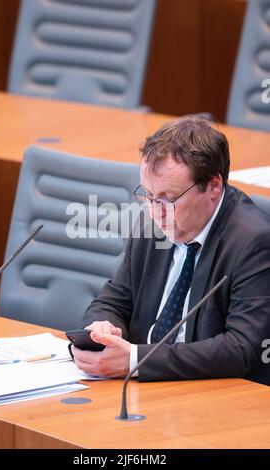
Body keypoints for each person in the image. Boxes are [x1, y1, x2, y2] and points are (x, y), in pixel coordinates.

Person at [72, 116, 270, 384]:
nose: (155, 212)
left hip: (211, 396)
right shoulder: (153, 223)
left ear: (213, 186)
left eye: (168, 198)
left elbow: (242, 348)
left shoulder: (254, 242)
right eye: (149, 196)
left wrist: (135, 360)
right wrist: (101, 329)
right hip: (143, 389)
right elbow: (113, 299)